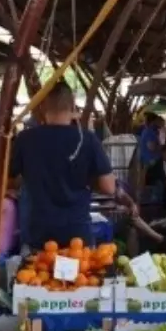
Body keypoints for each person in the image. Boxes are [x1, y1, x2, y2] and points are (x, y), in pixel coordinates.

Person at [8, 82, 115, 249]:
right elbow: (109, 187)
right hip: (77, 233)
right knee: (81, 274)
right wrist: (86, 179)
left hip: (39, 233)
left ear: (42, 107)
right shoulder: (86, 139)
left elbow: (10, 181)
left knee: (40, 274)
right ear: (72, 107)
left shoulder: (25, 139)